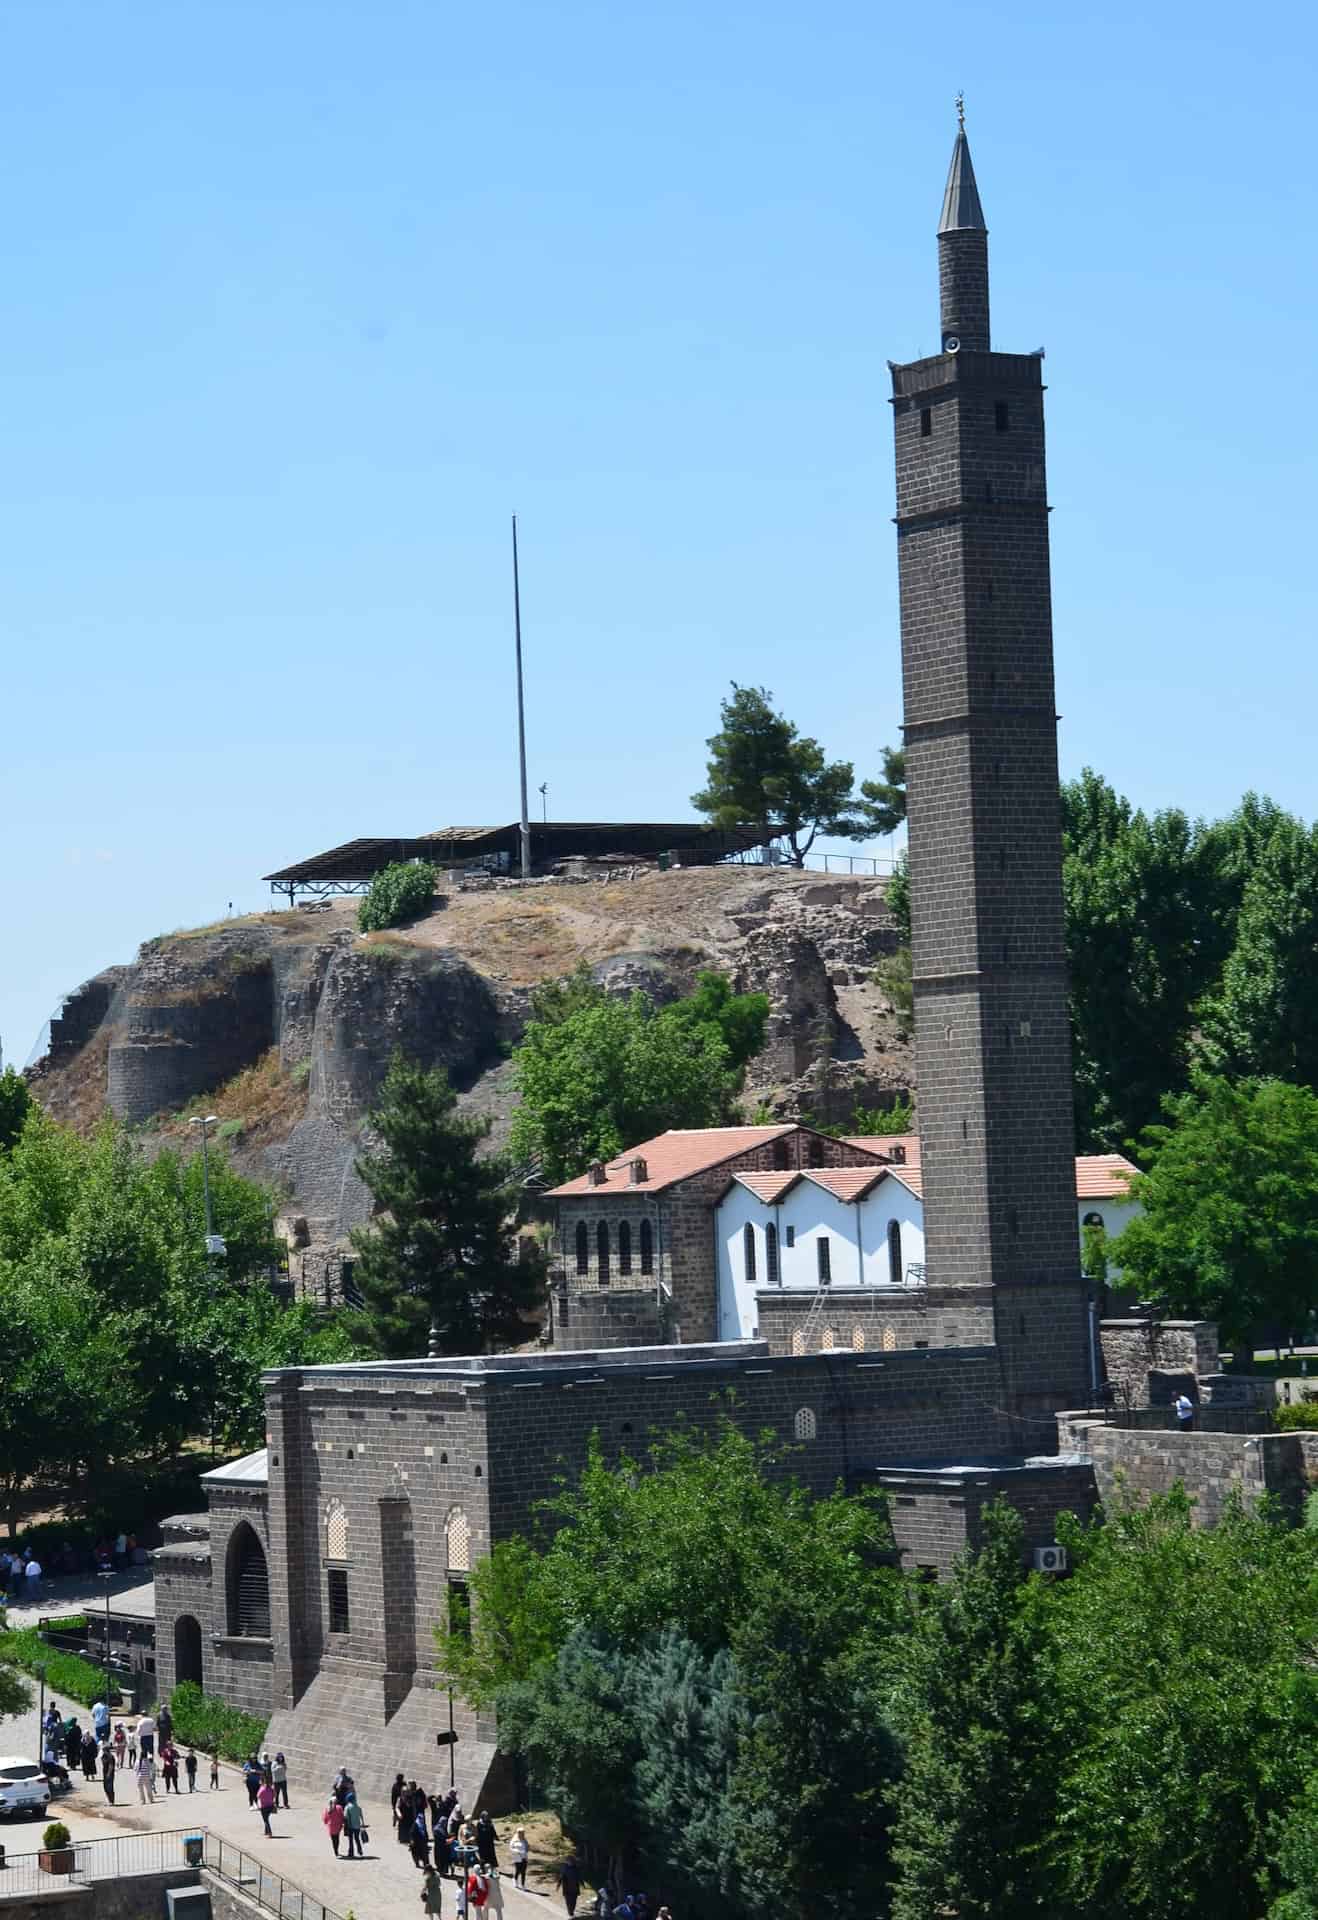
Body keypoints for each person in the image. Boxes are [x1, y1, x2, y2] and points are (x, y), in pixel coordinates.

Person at [343, 1791, 366, 1859]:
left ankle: (351, 1853)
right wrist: (362, 1824)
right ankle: (360, 1851)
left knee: (350, 1840)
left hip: (350, 1826)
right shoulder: (358, 1807)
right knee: (357, 1839)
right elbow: (361, 1816)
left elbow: (345, 1816)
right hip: (357, 1826)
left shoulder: (347, 1807)